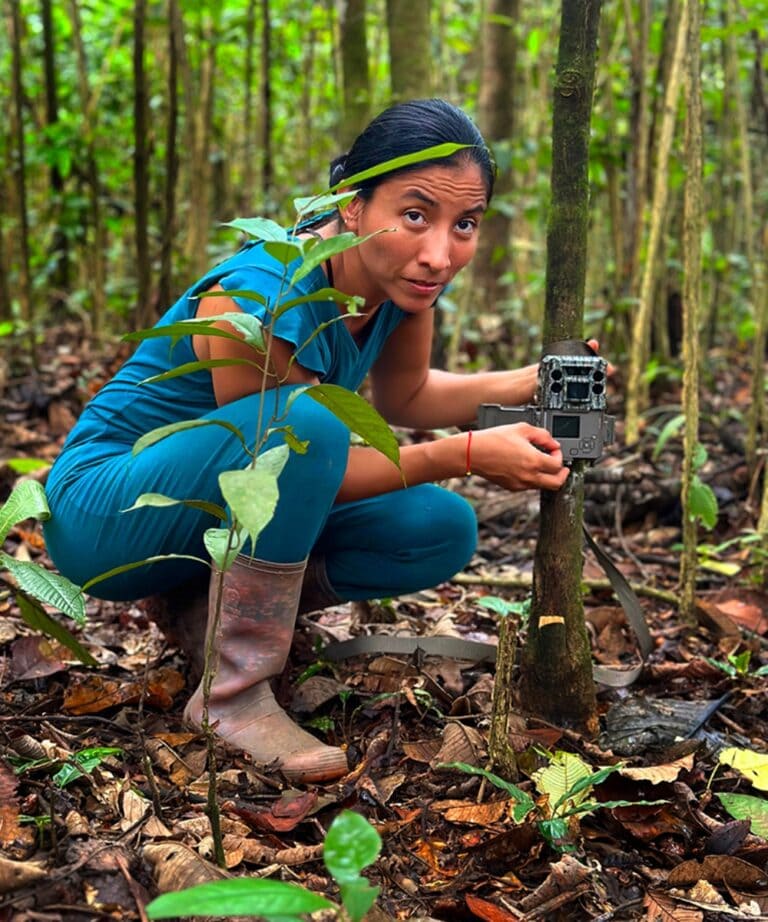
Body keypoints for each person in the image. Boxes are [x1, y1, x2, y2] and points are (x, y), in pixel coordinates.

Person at [43, 98, 571, 784]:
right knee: (307, 419)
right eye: (415, 216)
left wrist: (540, 380)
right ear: (352, 206)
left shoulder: (401, 288)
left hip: (206, 523)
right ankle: (232, 695)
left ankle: (201, 609)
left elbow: (406, 398)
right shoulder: (255, 290)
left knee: (440, 526)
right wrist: (464, 454)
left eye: (464, 224)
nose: (440, 253)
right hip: (101, 515)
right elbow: (286, 457)